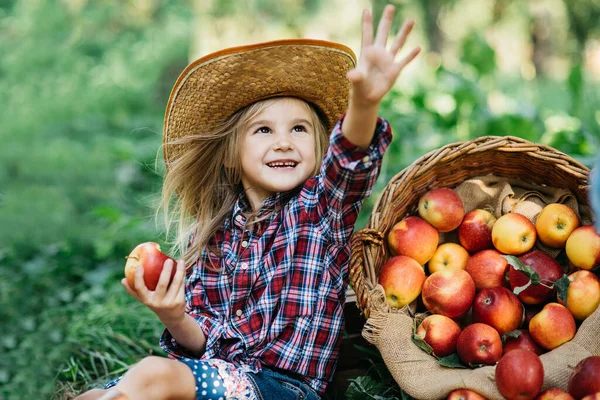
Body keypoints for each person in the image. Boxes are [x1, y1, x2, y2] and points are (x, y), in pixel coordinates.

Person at [76, 4, 420, 400]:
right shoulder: (209, 237)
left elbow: (351, 160)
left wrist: (364, 104)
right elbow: (203, 341)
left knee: (154, 374)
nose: (284, 141)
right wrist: (172, 316)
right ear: (230, 153)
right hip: (220, 378)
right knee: (98, 394)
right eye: (263, 129)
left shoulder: (320, 209)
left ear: (319, 144)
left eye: (299, 128)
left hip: (285, 389)